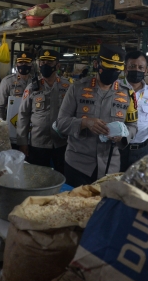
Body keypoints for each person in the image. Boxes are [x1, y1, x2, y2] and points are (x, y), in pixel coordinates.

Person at [55, 45, 138, 187]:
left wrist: (123, 135)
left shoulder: (128, 94)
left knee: (103, 207)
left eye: (116, 70)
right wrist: (85, 123)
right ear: (96, 64)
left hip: (110, 167)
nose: (112, 73)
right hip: (78, 166)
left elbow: (133, 126)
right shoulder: (77, 88)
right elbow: (61, 123)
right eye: (108, 68)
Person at [16, 49, 71, 175]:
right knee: (37, 177)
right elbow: (23, 115)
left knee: (62, 176)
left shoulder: (67, 87)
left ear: (57, 65)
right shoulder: (32, 87)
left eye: (49, 62)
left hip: (61, 142)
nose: (44, 65)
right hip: (38, 143)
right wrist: (22, 143)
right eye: (42, 62)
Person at [0, 51, 33, 121]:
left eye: (27, 63)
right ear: (16, 64)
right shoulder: (7, 81)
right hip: (12, 120)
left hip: (31, 121)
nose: (24, 65)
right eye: (21, 63)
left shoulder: (35, 82)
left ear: (31, 64)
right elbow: (0, 106)